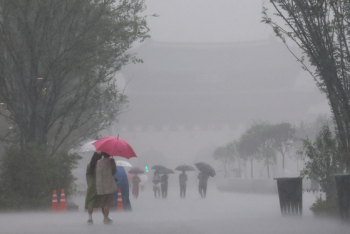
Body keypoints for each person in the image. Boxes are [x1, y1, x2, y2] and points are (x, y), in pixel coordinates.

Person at [96, 152, 117, 224]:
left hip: (100, 183)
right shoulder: (111, 161)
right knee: (107, 203)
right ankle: (106, 219)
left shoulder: (98, 162)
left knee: (103, 202)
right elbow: (114, 172)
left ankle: (105, 217)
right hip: (109, 184)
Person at [85, 151, 103, 224]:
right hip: (101, 184)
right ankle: (105, 217)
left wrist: (89, 184)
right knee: (102, 201)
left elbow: (87, 175)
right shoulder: (102, 165)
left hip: (92, 184)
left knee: (90, 201)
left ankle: (90, 217)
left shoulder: (89, 165)